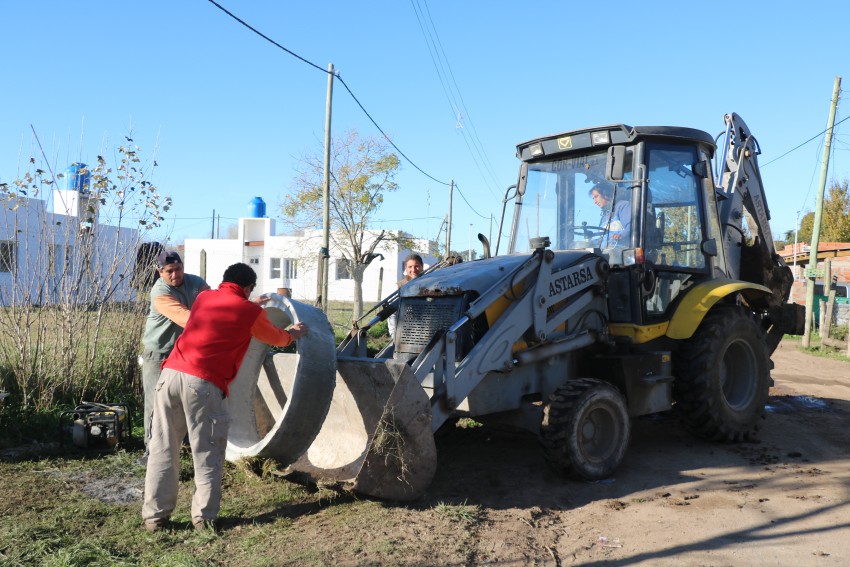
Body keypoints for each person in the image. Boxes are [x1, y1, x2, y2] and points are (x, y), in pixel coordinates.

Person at [141, 262, 308, 533]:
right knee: (207, 450)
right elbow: (275, 338)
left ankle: (154, 518)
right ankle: (204, 518)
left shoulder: (205, 297)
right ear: (247, 287)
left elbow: (224, 309)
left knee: (163, 447)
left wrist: (249, 302)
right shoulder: (250, 311)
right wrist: (292, 334)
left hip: (169, 375)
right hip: (202, 383)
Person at [139, 250, 209, 461]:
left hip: (185, 353)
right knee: (155, 402)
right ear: (160, 272)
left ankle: (185, 446)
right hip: (158, 353)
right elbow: (189, 320)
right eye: (169, 271)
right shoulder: (160, 292)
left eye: (178, 269)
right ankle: (152, 452)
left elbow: (212, 300)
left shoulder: (195, 283)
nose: (175, 275)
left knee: (186, 399)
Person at [388, 253, 424, 338]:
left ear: (422, 267)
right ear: (406, 269)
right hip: (405, 333)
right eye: (410, 267)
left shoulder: (431, 285)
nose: (413, 270)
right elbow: (392, 314)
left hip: (425, 332)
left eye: (416, 266)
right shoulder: (399, 287)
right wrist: (394, 335)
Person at [590, 184, 631, 248]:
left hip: (621, 251)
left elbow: (632, 227)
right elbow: (602, 238)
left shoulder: (622, 206)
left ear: (605, 195)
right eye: (593, 198)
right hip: (606, 252)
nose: (594, 202)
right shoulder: (604, 217)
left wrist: (621, 235)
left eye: (596, 196)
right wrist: (590, 242)